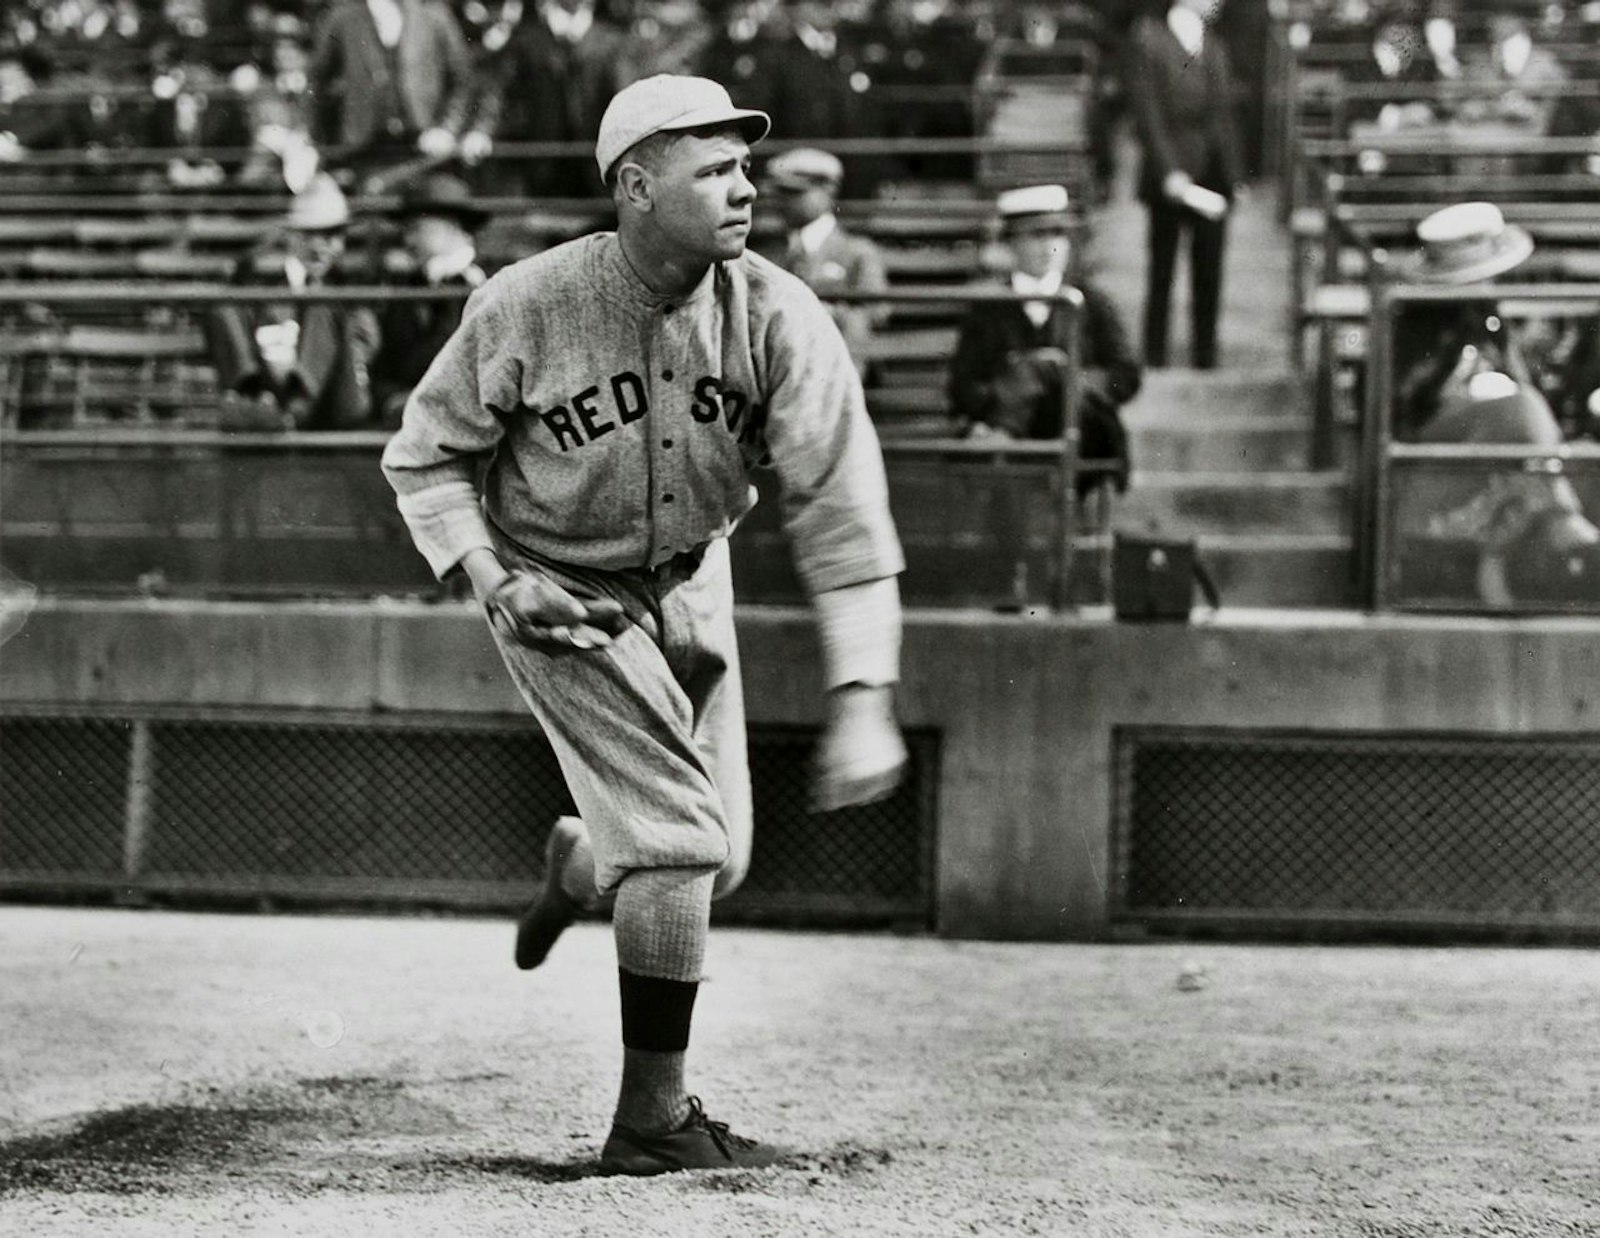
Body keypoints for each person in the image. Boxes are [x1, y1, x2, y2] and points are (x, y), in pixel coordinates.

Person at [380, 73, 908, 1174]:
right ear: (634, 184)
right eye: (713, 168)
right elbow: (425, 457)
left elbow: (844, 513)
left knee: (720, 864)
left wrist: (864, 699)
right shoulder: (525, 301)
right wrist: (490, 576)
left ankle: (581, 860)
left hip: (692, 574)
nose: (745, 187)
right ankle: (650, 1122)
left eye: (745, 165)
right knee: (678, 840)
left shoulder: (775, 313)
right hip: (557, 585)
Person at [948, 183, 1140, 495]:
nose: (1049, 247)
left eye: (1058, 235)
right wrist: (1012, 392)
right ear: (1011, 243)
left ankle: (1004, 433)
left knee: (1045, 368)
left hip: (1081, 433)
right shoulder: (988, 310)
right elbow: (962, 387)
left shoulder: (1091, 301)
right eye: (1037, 235)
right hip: (1020, 454)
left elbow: (1127, 374)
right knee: (1034, 370)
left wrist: (1066, 379)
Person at [1121, 0, 1246, 370]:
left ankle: (1204, 355)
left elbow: (1224, 116)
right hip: (1170, 171)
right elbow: (1148, 113)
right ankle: (1155, 356)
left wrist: (1235, 175)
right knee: (1162, 268)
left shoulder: (1214, 44)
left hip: (1212, 171)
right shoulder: (1149, 40)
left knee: (1209, 268)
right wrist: (1168, 170)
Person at [204, 173, 382, 430]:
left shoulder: (348, 285)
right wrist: (275, 355)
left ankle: (291, 410)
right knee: (224, 306)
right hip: (271, 387)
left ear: (342, 241)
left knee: (324, 304)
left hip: (332, 400)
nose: (321, 247)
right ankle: (254, 398)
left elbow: (365, 345)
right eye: (311, 235)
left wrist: (298, 362)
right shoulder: (262, 281)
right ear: (291, 237)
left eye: (331, 236)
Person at [1392, 201, 1536, 441]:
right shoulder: (1420, 319)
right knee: (1523, 411)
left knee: (1527, 407)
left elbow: (1519, 376)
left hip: (1489, 424)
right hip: (1435, 428)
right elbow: (1408, 397)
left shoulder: (1489, 312)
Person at [461, 0, 627, 197]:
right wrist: (481, 131)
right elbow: (499, 90)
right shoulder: (527, 40)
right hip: (543, 171)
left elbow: (625, 99)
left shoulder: (611, 43)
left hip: (596, 172)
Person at [307, 0, 474, 187]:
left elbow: (462, 80)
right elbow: (317, 82)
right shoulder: (343, 17)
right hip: (362, 153)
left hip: (423, 151)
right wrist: (312, 140)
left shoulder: (433, 13)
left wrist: (447, 129)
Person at [370, 172, 489, 424]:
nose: (408, 240)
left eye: (416, 228)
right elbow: (385, 365)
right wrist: (392, 399)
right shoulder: (406, 287)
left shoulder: (487, 284)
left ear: (452, 227)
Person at [761, 146, 887, 380]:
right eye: (780, 194)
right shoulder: (770, 254)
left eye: (796, 193)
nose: (783, 203)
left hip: (836, 369)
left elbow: (877, 312)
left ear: (829, 190)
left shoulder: (858, 252)